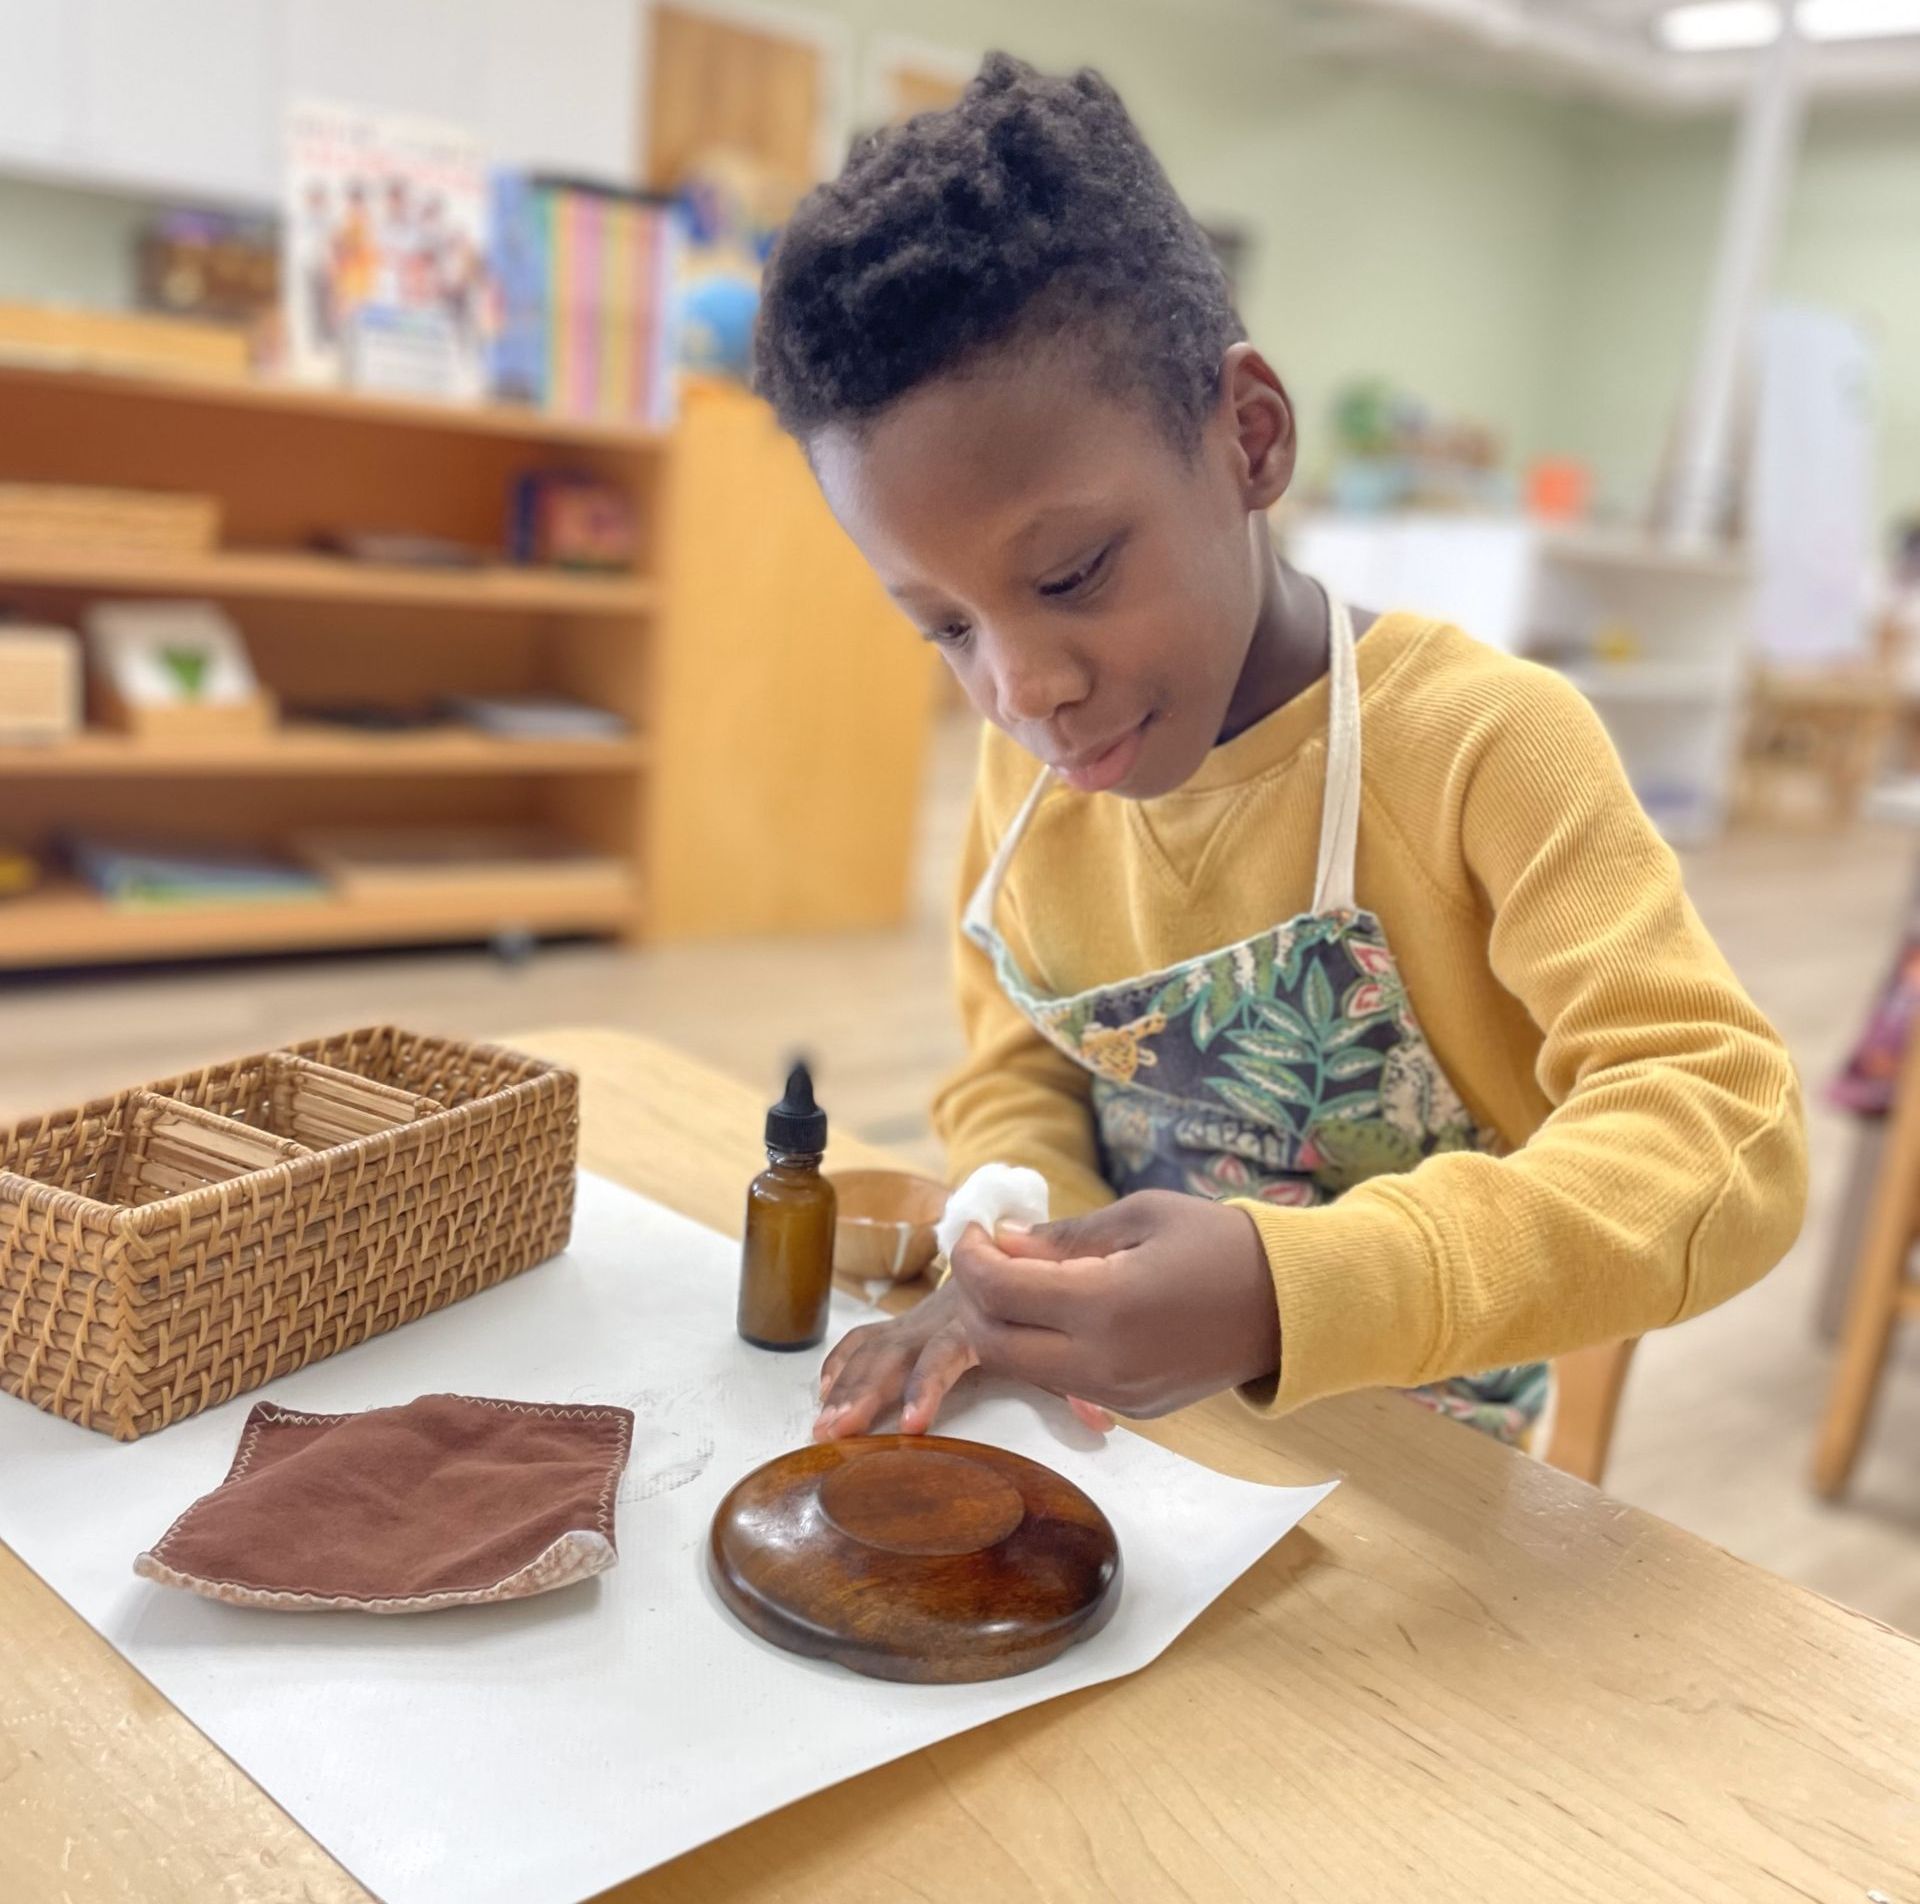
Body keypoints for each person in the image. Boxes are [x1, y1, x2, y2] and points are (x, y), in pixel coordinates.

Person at [750, 54, 1806, 1448]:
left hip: (1426, 1481)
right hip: (1139, 1439)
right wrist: (1024, 1250)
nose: (1025, 687)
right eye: (943, 626)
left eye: (1069, 574)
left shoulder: (1485, 749)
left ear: (1248, 438)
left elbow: (1728, 1133)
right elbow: (1010, 1064)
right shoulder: (1039, 771)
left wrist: (1283, 1290)